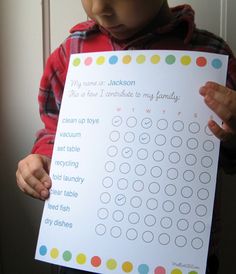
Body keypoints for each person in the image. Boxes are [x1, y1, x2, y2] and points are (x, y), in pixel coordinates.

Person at [16, 1, 236, 273]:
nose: (99, 7)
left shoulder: (209, 55)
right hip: (83, 251)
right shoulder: (73, 51)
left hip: (178, 255)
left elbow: (228, 159)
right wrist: (42, 158)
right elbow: (54, 128)